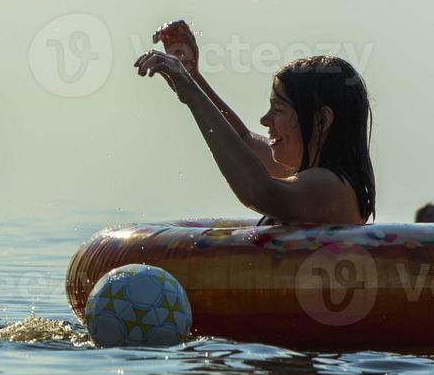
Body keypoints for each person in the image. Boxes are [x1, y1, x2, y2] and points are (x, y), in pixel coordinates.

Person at [134, 20, 375, 226]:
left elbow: (258, 192)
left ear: (321, 120)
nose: (264, 120)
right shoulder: (317, 177)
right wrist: (192, 79)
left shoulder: (330, 187)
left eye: (278, 109)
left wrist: (193, 95)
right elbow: (242, 142)